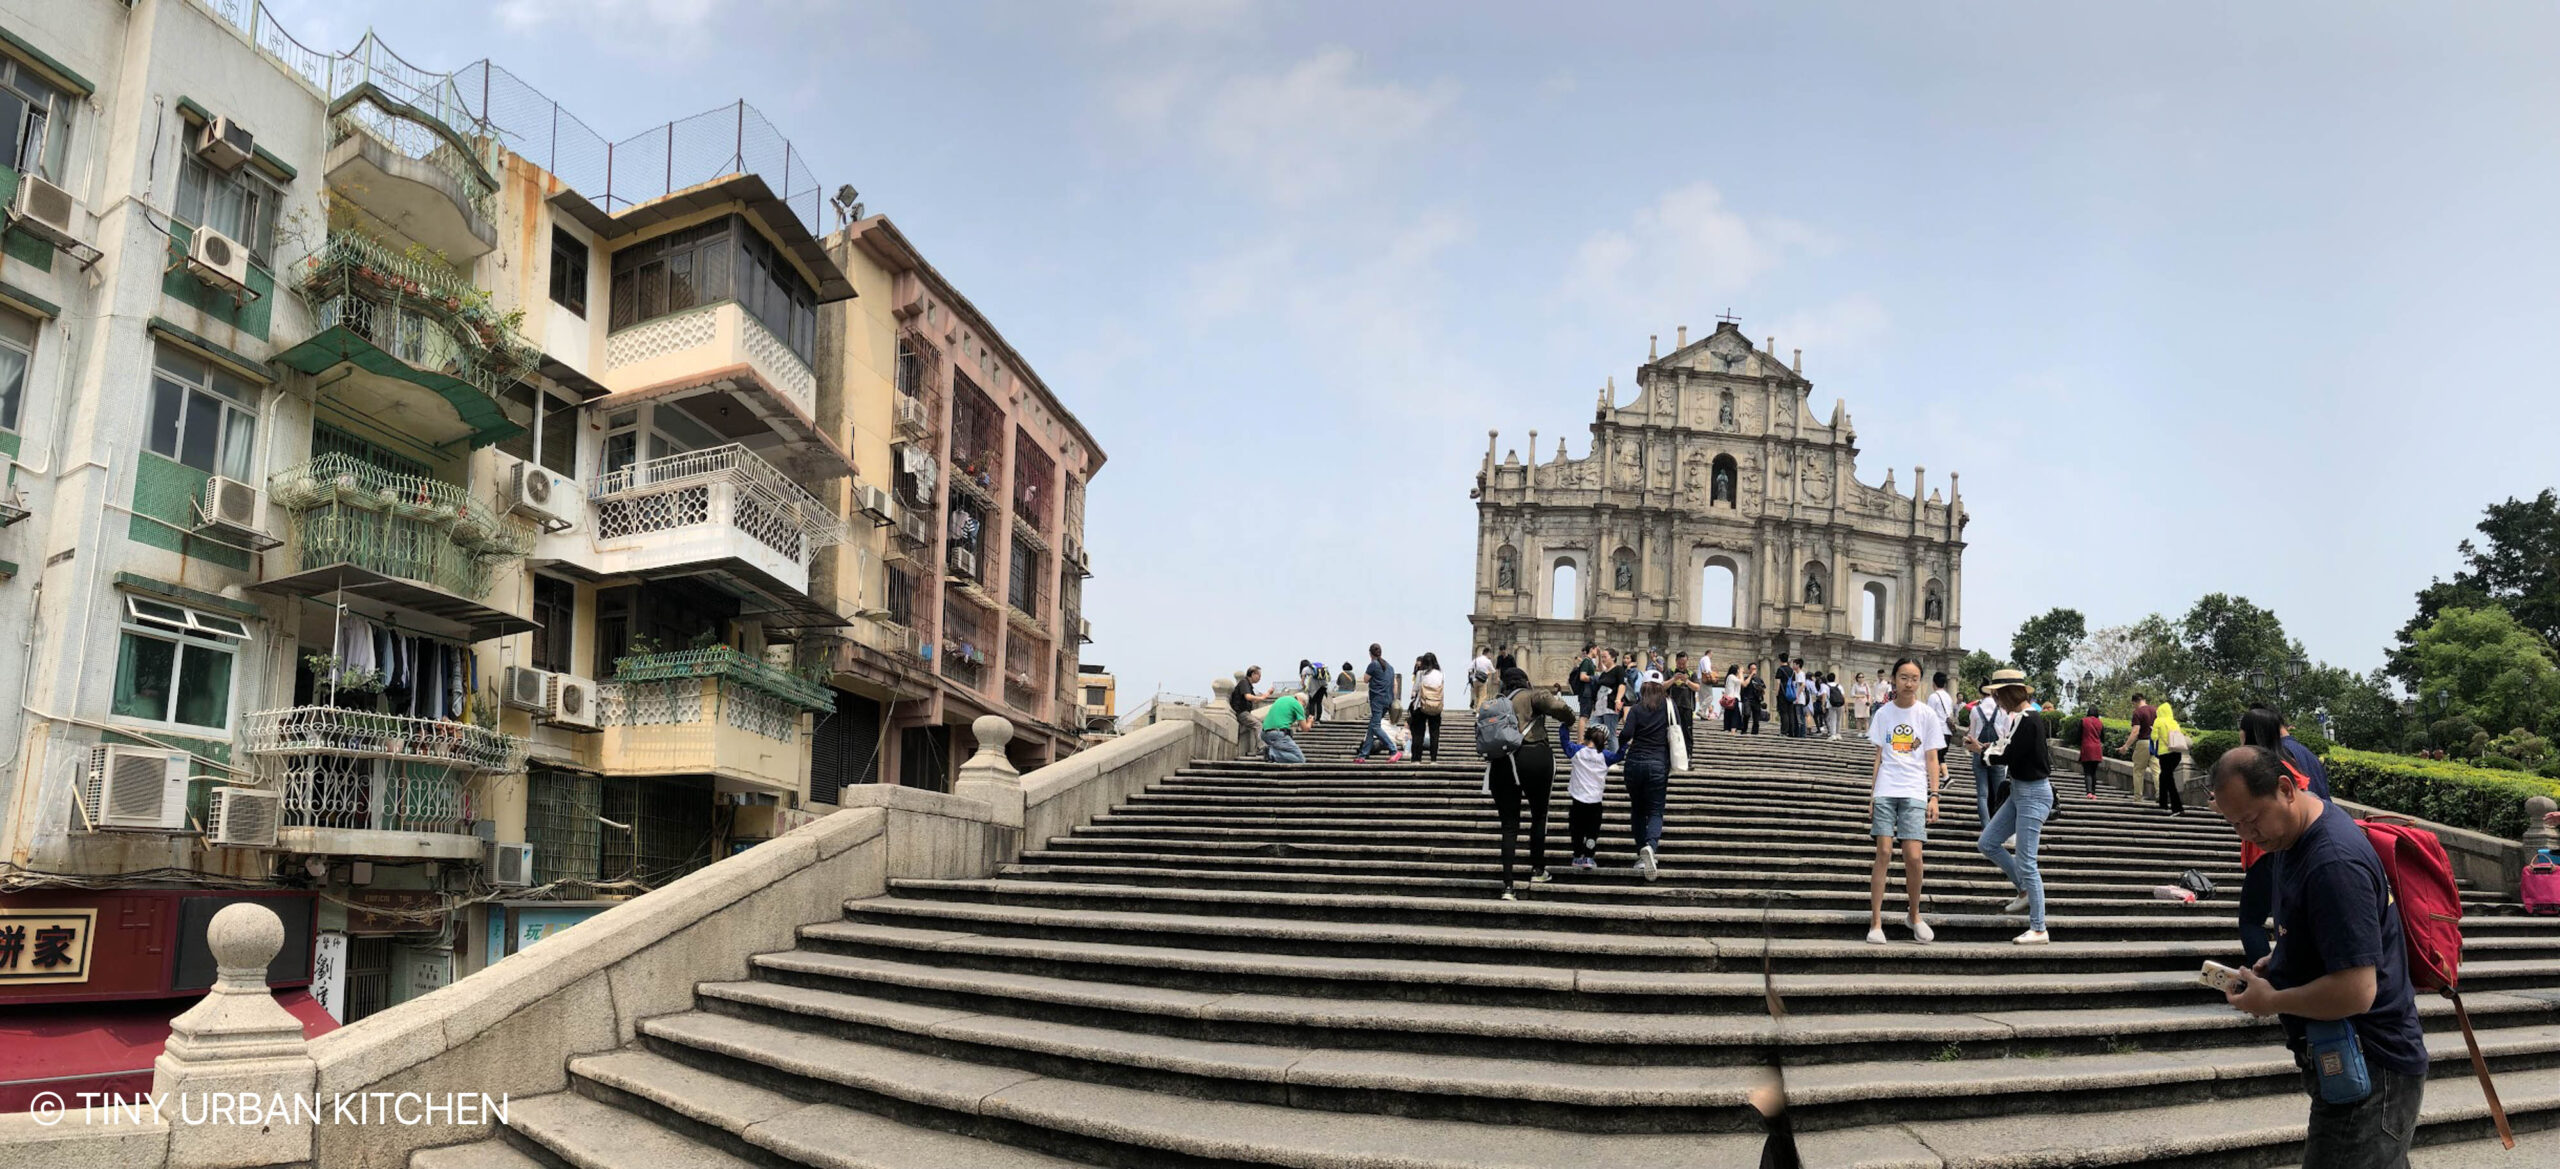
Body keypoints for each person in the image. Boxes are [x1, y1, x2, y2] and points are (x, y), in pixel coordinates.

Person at [2211, 746, 2428, 1167]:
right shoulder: (2293, 839)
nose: (2246, 835)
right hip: (2354, 1061)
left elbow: (2355, 991)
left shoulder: (2332, 861)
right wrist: (2283, 961)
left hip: (2370, 1066)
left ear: (2286, 789)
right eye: (2234, 823)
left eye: (2252, 819)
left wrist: (2270, 1001)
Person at [2236, 705, 2335, 963]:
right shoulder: (2306, 755)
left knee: (2252, 920)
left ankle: (2272, 981)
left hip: (2278, 848)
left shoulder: (2271, 762)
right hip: (2314, 841)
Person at [1866, 659, 1946, 944]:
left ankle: (1914, 914)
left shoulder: (1926, 715)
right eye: (1903, 677)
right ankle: (1876, 921)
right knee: (1884, 852)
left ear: (1920, 681)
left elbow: (1932, 758)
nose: (1908, 683)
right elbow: (1878, 756)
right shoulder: (1883, 714)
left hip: (1914, 790)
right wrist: (1872, 794)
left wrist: (1934, 795)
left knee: (1913, 856)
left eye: (1913, 678)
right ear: (1894, 679)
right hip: (1887, 787)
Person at [1484, 665, 1578, 899]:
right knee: (1539, 815)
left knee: (1509, 825)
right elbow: (1558, 707)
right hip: (1533, 756)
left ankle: (1507, 885)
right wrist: (1570, 719)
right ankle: (1537, 868)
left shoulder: (1497, 702)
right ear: (1525, 681)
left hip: (1502, 762)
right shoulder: (1532, 694)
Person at [1976, 668, 2055, 944]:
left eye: (1998, 695)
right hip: (2020, 791)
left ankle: (2039, 927)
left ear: (2009, 693)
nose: (1996, 701)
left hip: (2033, 794)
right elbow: (2007, 749)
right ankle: (2023, 889)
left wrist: (1982, 752)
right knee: (1987, 842)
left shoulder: (2030, 720)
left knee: (2027, 861)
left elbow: (2008, 754)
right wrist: (1987, 749)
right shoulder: (2020, 718)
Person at [1619, 670, 1675, 880]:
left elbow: (1626, 735)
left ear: (1642, 688)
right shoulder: (1669, 707)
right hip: (1658, 763)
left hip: (1634, 763)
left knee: (1637, 810)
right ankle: (1651, 847)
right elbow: (1679, 730)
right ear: (1662, 688)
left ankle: (1641, 852)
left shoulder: (1636, 709)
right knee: (1655, 810)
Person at [1566, 724, 1620, 869]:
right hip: (1595, 801)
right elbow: (1619, 756)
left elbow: (1564, 742)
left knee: (1576, 829)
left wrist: (1565, 725)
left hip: (1578, 799)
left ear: (1587, 736)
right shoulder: (1605, 756)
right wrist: (1625, 742)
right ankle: (1589, 857)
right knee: (1592, 831)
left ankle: (1577, 855)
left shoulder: (1577, 751)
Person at [1963, 687, 2010, 832]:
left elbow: (1971, 734)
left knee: (1982, 794)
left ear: (1981, 694)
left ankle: (1986, 827)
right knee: (1999, 793)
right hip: (1997, 753)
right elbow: (2007, 734)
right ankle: (2000, 828)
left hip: (1979, 752)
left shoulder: (1976, 710)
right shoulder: (2002, 711)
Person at [1355, 644, 1401, 762]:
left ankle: (1393, 750)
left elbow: (1365, 680)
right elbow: (1395, 684)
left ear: (1370, 654)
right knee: (1372, 727)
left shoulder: (1373, 665)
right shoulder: (1390, 667)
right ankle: (1362, 755)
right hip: (1388, 700)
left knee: (1375, 726)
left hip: (1377, 700)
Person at [2154, 699, 2190, 815]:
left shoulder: (2158, 721)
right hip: (2176, 753)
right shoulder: (2174, 723)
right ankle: (2163, 803)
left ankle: (2178, 808)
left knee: (2168, 779)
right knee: (2163, 776)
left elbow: (2153, 737)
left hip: (2165, 754)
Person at [1409, 652, 1447, 763]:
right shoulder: (1441, 674)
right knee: (1434, 734)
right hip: (1436, 706)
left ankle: (1416, 759)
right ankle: (1433, 759)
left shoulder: (1420, 674)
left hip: (1422, 705)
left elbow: (1414, 691)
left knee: (1418, 733)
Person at [1260, 688, 1311, 764]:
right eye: (1304, 706)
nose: (1303, 708)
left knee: (1283, 748)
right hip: (1278, 734)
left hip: (1264, 733)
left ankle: (1271, 750)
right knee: (1300, 759)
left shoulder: (1282, 699)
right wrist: (1310, 722)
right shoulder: (1298, 705)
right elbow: (1305, 729)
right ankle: (1271, 753)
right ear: (1302, 701)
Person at [1590, 648, 1628, 751]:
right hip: (1600, 706)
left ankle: (1614, 757)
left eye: (1605, 657)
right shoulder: (1604, 673)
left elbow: (1622, 685)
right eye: (1602, 657)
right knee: (1594, 730)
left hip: (1610, 705)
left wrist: (1618, 700)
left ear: (1613, 657)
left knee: (1610, 733)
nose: (1603, 659)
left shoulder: (1618, 669)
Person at [2129, 692, 2160, 803]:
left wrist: (2126, 746)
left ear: (2135, 701)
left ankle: (2138, 797)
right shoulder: (2156, 710)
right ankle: (2160, 793)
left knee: (2138, 771)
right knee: (2156, 770)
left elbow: (2135, 731)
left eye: (2133, 704)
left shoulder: (2138, 712)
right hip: (2156, 743)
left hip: (2143, 742)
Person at [1926, 672, 1958, 774]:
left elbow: (1929, 715)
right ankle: (1945, 778)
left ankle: (1943, 779)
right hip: (1947, 732)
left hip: (1938, 732)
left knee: (1934, 757)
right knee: (1940, 758)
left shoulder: (1933, 697)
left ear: (1933, 683)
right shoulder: (1948, 697)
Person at [1229, 666, 1264, 759]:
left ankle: (1258, 747)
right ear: (1253, 674)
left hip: (1245, 712)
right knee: (1258, 725)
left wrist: (1265, 695)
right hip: (1241, 712)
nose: (1260, 678)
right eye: (1259, 675)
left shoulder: (1248, 685)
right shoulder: (1244, 682)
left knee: (1259, 723)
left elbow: (1254, 700)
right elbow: (1248, 697)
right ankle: (1262, 747)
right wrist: (1261, 698)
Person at [1668, 652, 1700, 749]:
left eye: (1684, 664)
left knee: (1687, 732)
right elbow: (1662, 685)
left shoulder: (1691, 674)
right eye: (1679, 663)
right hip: (1672, 707)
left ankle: (1688, 755)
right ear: (1676, 661)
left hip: (1687, 706)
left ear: (1687, 662)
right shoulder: (1670, 672)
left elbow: (1697, 688)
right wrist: (1673, 679)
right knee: (1671, 730)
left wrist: (1687, 681)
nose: (1681, 666)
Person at [2077, 706, 2106, 798]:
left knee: (2087, 771)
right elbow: (2103, 737)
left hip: (2087, 748)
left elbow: (2078, 735)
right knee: (2094, 771)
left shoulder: (2083, 721)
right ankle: (2093, 792)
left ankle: (2089, 792)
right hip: (2097, 749)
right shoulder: (2100, 723)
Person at [1568, 644, 1600, 723]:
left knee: (1587, 715)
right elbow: (1582, 677)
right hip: (1585, 692)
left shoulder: (1589, 662)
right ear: (1591, 649)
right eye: (1596, 650)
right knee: (1584, 716)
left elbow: (1600, 669)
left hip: (1589, 691)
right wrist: (1594, 678)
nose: (1597, 652)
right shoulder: (1586, 661)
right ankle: (1581, 736)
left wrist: (1599, 654)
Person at [1742, 665, 1766, 734]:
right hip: (1747, 699)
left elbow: (1763, 689)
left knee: (1756, 718)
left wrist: (1760, 689)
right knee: (1746, 714)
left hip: (1756, 699)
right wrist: (1751, 676)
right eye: (1752, 669)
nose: (1754, 670)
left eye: (1755, 669)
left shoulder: (1759, 679)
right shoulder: (1746, 678)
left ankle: (1755, 732)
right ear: (1749, 669)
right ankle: (1744, 730)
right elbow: (1744, 685)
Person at [1303, 660, 1327, 724]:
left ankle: (1312, 719)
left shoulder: (1305, 669)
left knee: (1312, 703)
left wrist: (1305, 687)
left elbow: (1302, 681)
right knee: (1319, 703)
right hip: (1323, 687)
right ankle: (1318, 719)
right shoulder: (1323, 668)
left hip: (1313, 688)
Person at [1721, 665, 1744, 733]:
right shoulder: (1731, 676)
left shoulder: (1730, 677)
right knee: (1735, 714)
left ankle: (1727, 728)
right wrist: (1741, 673)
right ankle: (1733, 729)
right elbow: (1742, 682)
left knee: (1729, 714)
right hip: (1732, 698)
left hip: (1729, 698)